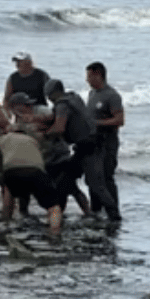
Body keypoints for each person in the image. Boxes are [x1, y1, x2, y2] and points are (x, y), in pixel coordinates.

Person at [46, 78, 119, 222]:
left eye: (49, 97)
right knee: (65, 179)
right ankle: (63, 214)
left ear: (52, 94)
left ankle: (115, 217)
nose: (49, 100)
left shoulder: (61, 105)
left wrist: (44, 135)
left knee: (96, 185)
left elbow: (59, 128)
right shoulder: (74, 98)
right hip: (86, 148)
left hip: (90, 150)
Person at [0, 126, 64, 234]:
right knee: (54, 207)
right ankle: (54, 233)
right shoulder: (33, 140)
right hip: (35, 172)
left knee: (9, 189)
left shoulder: (5, 138)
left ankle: (6, 222)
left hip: (12, 172)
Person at [85, 61, 124, 220]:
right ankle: (96, 210)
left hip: (108, 141)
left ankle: (113, 213)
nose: (87, 80)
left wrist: (96, 123)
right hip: (94, 142)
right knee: (93, 177)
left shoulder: (112, 96)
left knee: (107, 177)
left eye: (89, 76)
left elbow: (119, 120)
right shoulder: (92, 94)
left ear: (98, 74)